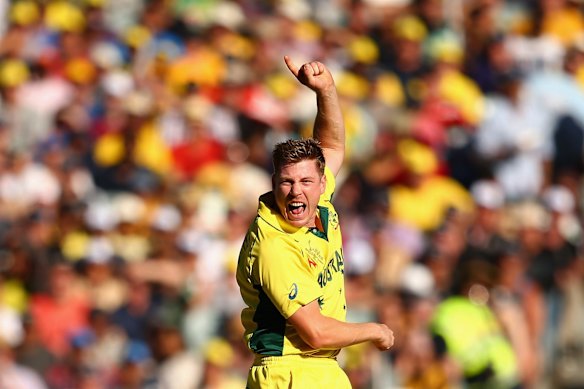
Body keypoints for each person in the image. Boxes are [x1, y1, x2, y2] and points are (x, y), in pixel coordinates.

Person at [236, 56, 394, 388]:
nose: (296, 191)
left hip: (321, 371)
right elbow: (317, 332)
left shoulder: (319, 204)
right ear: (274, 182)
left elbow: (333, 144)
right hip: (288, 372)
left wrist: (326, 91)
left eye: (306, 182)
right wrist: (373, 330)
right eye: (286, 182)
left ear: (322, 184)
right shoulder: (273, 244)